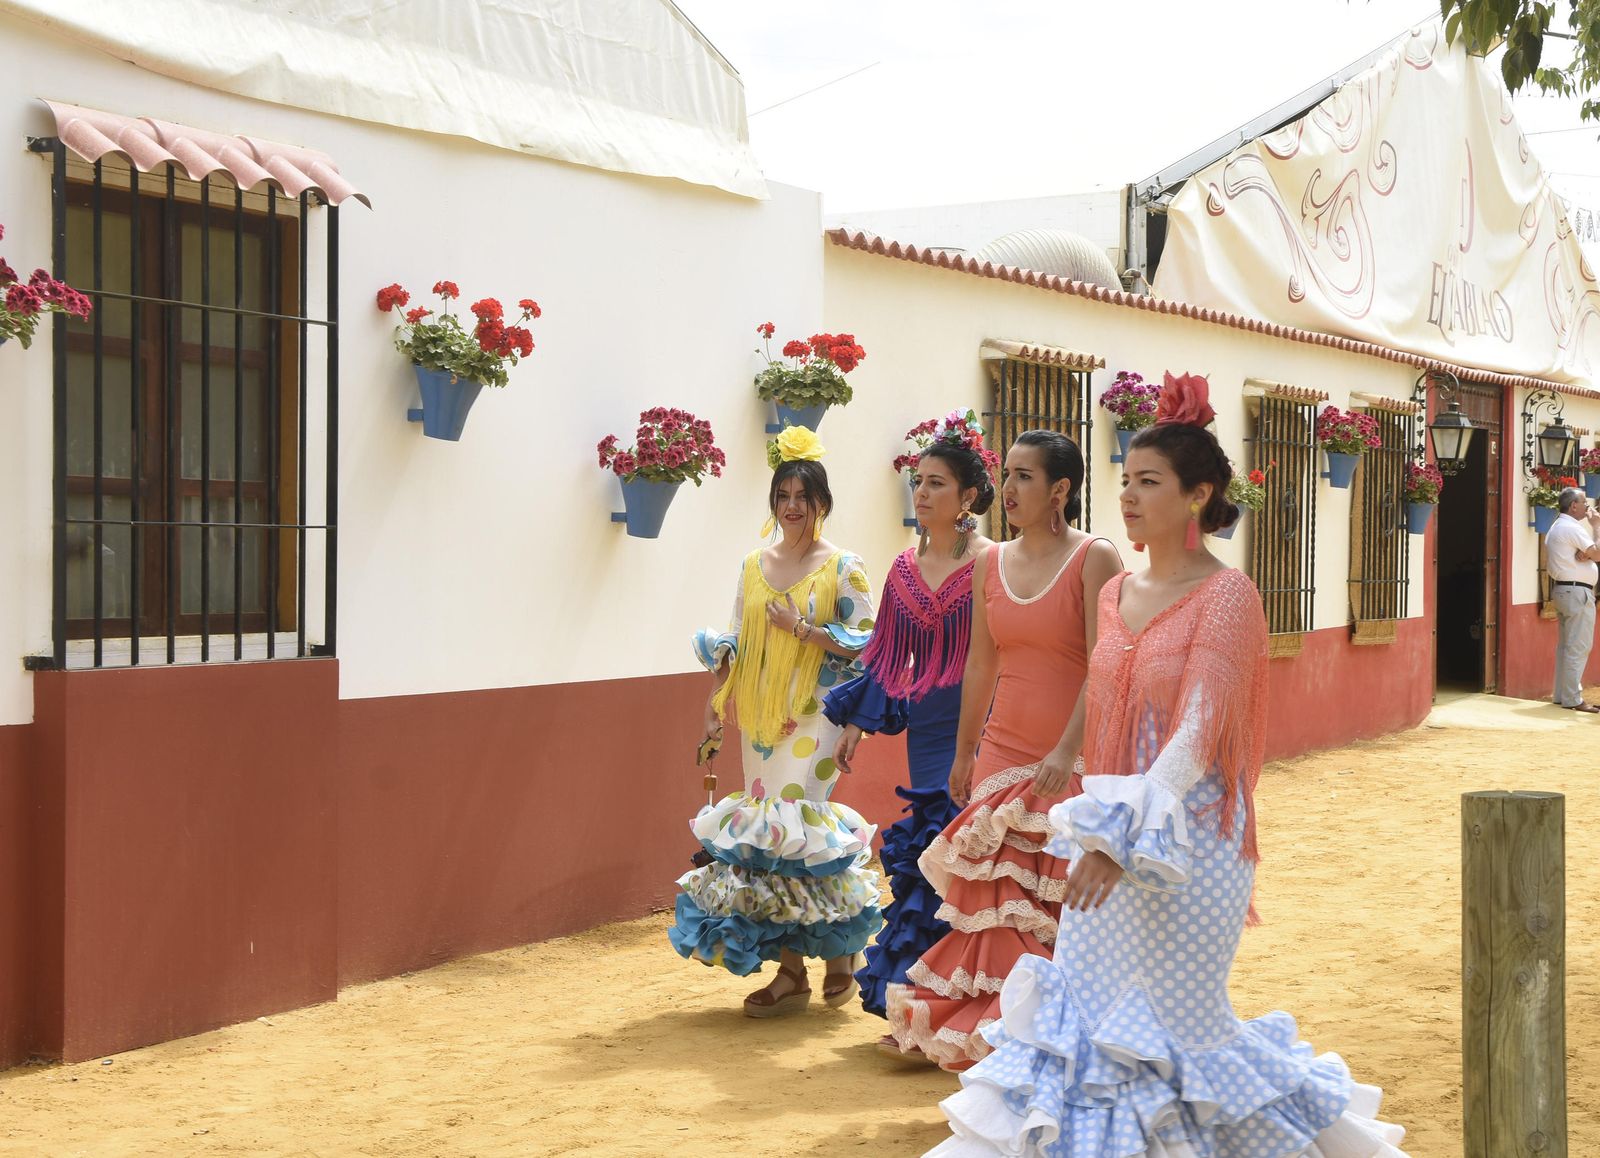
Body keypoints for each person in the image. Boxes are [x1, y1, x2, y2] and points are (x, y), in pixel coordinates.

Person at [926, 374, 1407, 1157]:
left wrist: (1122, 838)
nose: (1129, 497)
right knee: (1082, 1021)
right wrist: (1092, 823)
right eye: (1125, 481)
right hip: (1108, 836)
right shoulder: (1114, 594)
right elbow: (1097, 709)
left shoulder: (1229, 596)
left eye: (1149, 482)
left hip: (1194, 849)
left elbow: (1198, 730)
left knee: (1180, 1030)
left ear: (1198, 495)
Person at [884, 430, 1122, 1070]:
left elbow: (1106, 665)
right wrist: (964, 754)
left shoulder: (1096, 557)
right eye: (1008, 474)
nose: (1008, 490)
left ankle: (1045, 1042)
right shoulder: (989, 563)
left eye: (1024, 477)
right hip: (1000, 754)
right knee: (992, 903)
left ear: (1061, 490)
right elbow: (981, 665)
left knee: (1050, 905)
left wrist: (1066, 750)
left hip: (1068, 758)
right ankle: (999, 1045)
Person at [669, 426, 883, 1017]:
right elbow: (734, 641)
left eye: (804, 495)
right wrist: (715, 710)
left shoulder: (845, 566)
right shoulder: (752, 564)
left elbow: (868, 644)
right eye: (784, 494)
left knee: (802, 827)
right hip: (762, 718)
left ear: (822, 502)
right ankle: (804, 966)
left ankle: (828, 958)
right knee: (771, 834)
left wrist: (806, 633)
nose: (793, 506)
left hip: (819, 716)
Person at [823, 410, 998, 1044]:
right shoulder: (900, 570)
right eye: (917, 481)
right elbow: (886, 657)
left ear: (968, 496)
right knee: (929, 868)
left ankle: (974, 1012)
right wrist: (857, 727)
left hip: (988, 729)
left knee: (979, 868)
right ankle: (923, 1012)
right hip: (927, 737)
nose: (921, 493)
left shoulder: (992, 564)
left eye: (936, 483)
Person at [1544, 486, 1600, 713]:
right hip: (1577, 592)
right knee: (1579, 646)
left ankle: (1562, 695)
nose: (1588, 506)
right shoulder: (1571, 527)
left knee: (1567, 647)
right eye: (1584, 502)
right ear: (1573, 505)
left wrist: (1587, 552)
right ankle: (1572, 698)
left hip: (1564, 591)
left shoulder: (1558, 526)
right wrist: (1596, 527)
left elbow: (1591, 552)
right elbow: (1598, 554)